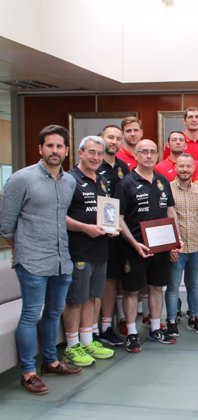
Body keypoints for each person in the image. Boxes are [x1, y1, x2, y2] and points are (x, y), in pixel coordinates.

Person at [0, 125, 81, 394]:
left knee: (54, 312)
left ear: (67, 151)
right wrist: (18, 250)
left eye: (59, 146)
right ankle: (28, 371)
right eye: (49, 146)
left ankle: (51, 361)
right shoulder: (22, 179)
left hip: (61, 259)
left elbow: (61, 219)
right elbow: (6, 224)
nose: (54, 151)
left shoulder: (70, 182)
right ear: (40, 149)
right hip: (32, 260)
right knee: (31, 315)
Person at [116, 139, 178, 352]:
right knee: (131, 290)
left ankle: (154, 328)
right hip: (135, 247)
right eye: (144, 152)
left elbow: (170, 212)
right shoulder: (125, 184)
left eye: (153, 152)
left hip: (161, 247)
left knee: (156, 287)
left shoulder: (162, 181)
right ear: (136, 155)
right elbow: (119, 218)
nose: (149, 156)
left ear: (158, 155)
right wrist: (134, 244)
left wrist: (175, 241)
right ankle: (132, 333)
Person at [63, 135, 116, 367]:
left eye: (99, 153)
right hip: (78, 250)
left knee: (94, 297)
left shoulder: (103, 179)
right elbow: (59, 216)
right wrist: (85, 228)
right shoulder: (69, 180)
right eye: (91, 152)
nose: (96, 157)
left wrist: (111, 227)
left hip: (100, 248)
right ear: (80, 153)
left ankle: (87, 340)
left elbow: (107, 211)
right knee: (76, 299)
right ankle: (72, 345)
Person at [164, 154, 198, 336]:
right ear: (175, 167)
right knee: (173, 286)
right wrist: (170, 246)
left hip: (197, 245)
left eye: (188, 166)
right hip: (177, 248)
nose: (184, 169)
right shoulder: (167, 190)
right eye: (181, 166)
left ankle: (194, 317)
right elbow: (165, 220)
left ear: (193, 169)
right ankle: (172, 320)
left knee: (194, 285)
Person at [97, 124, 129, 347]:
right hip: (92, 234)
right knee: (93, 282)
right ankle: (89, 331)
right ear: (101, 138)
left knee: (111, 281)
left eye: (118, 138)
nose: (114, 142)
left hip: (116, 233)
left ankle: (106, 327)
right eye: (110, 137)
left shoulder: (123, 167)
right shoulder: (91, 165)